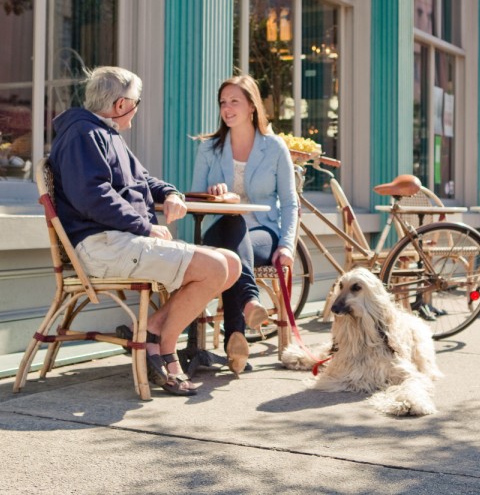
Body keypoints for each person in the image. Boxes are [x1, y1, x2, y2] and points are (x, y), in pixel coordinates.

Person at [49, 66, 241, 396]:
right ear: (122, 105)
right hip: (101, 246)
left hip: (119, 241)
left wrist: (170, 193)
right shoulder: (84, 134)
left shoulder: (106, 135)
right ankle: (164, 349)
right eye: (137, 102)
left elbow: (144, 179)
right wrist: (145, 226)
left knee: (231, 263)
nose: (137, 110)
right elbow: (91, 196)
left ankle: (151, 330)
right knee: (214, 267)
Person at [191, 75, 298, 374]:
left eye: (234, 101)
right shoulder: (209, 148)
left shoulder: (275, 148)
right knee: (232, 219)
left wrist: (287, 245)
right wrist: (214, 197)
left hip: (263, 232)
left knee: (234, 254)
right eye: (223, 102)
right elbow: (194, 201)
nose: (227, 108)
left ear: (252, 105)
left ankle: (234, 338)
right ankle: (250, 301)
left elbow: (290, 203)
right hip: (220, 230)